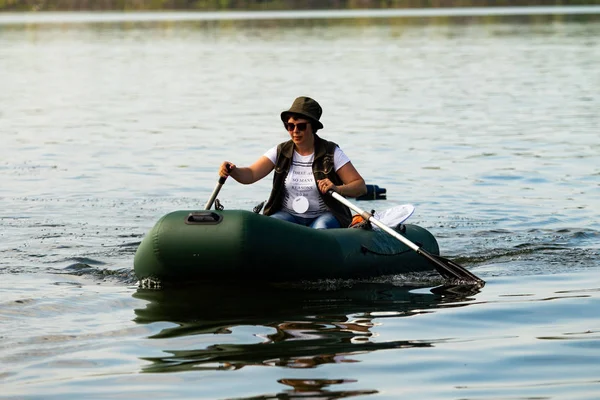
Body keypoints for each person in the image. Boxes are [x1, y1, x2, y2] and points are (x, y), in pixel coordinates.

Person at [219, 96, 367, 229]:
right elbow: (250, 175)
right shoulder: (280, 151)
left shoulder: (332, 152)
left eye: (301, 126)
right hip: (288, 215)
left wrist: (337, 188)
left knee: (321, 227)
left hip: (325, 215)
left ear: (313, 127)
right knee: (272, 225)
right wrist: (233, 171)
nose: (295, 131)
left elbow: (360, 186)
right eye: (290, 126)